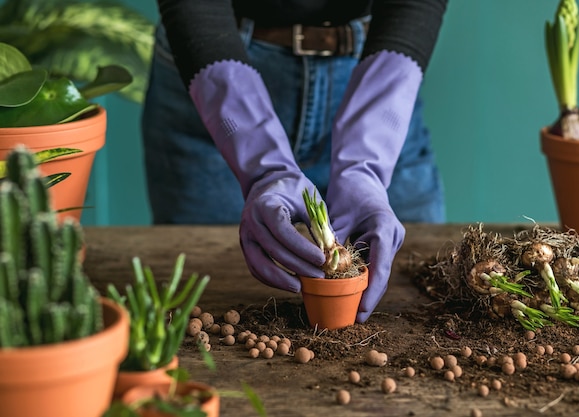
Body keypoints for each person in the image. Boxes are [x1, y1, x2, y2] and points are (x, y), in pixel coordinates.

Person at [142, 0, 448, 323]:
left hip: (378, 71)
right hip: (212, 60)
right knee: (192, 296)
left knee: (419, 289)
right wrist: (262, 163)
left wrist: (367, 166)